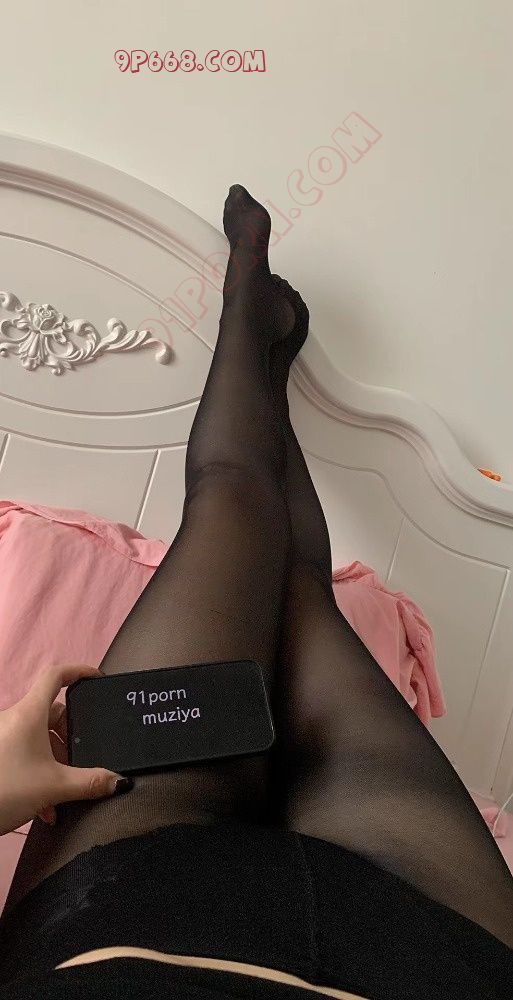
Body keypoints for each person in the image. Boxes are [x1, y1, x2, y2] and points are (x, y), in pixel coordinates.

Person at [0, 185, 512, 1000]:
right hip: (423, 952)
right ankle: (260, 345)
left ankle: (252, 325)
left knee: (246, 526)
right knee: (289, 577)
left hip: (124, 919)